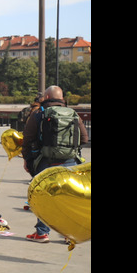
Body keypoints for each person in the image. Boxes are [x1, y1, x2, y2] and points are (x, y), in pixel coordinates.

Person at [21, 85, 89, 243]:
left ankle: (42, 233)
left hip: (47, 161)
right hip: (70, 161)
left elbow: (28, 139)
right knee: (69, 197)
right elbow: (84, 139)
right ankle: (69, 234)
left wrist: (27, 159)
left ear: (45, 97)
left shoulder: (39, 114)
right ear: (62, 98)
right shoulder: (73, 114)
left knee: (44, 196)